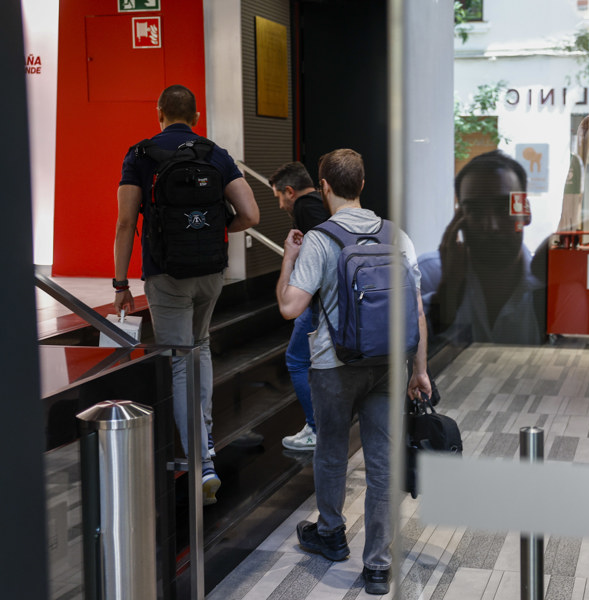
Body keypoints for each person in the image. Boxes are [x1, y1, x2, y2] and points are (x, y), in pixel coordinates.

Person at [275, 148, 431, 595]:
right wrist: (419, 371)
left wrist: (289, 257)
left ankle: (331, 534)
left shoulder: (321, 240)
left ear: (323, 187)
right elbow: (416, 310)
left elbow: (289, 307)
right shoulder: (395, 235)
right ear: (362, 184)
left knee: (330, 450)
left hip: (333, 365)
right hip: (389, 365)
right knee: (382, 463)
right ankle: (379, 566)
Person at [112, 84, 260, 505]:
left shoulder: (140, 155)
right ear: (195, 116)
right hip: (210, 273)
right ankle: (206, 438)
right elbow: (250, 213)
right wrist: (215, 231)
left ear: (159, 112)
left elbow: (126, 223)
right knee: (201, 348)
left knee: (180, 363)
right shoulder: (215, 154)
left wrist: (121, 284)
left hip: (166, 274)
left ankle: (201, 460)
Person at [422, 150, 546, 346]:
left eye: (505, 209)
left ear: (526, 213)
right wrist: (447, 293)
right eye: (475, 211)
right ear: (459, 218)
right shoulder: (426, 276)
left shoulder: (547, 286)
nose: (491, 226)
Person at [269, 162, 330, 451]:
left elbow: (322, 254)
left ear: (290, 191)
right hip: (328, 300)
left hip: (319, 301)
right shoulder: (323, 201)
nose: (280, 205)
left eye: (279, 197)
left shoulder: (305, 207)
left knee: (296, 360)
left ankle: (317, 428)